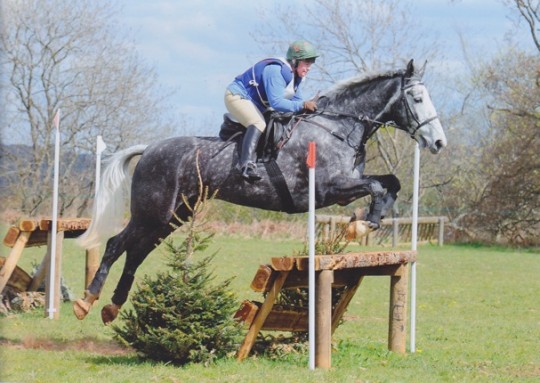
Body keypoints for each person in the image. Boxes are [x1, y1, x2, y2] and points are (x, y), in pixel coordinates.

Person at [224, 40, 319, 181]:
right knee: (258, 123)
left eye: (310, 63)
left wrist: (309, 108)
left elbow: (297, 102)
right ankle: (246, 165)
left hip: (255, 103)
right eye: (306, 63)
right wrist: (303, 105)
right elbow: (277, 103)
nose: (309, 67)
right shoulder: (276, 71)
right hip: (237, 96)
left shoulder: (295, 78)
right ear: (295, 61)